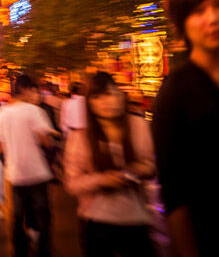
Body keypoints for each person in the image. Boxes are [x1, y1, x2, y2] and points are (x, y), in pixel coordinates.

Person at [152, 0, 219, 257]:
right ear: (181, 23)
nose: (213, 17)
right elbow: (175, 196)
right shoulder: (175, 93)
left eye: (218, 4)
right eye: (198, 11)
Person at [64, 72, 156, 256]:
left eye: (112, 94)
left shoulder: (138, 126)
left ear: (121, 97)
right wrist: (103, 180)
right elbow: (72, 183)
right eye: (99, 96)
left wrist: (143, 169)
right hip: (96, 223)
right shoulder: (80, 137)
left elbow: (152, 164)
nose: (108, 101)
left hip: (136, 220)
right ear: (90, 103)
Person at [0, 75, 56, 257]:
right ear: (26, 90)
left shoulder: (0, 114)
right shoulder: (34, 111)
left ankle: (19, 249)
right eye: (34, 90)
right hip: (37, 172)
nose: (36, 94)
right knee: (42, 216)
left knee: (17, 216)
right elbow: (46, 141)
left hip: (15, 174)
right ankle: (43, 249)